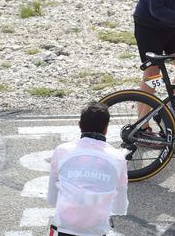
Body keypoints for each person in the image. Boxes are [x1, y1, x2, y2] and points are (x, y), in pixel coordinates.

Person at [47, 101, 128, 236]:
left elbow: (51, 199)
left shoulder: (62, 151)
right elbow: (120, 208)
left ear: (79, 125)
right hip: (96, 229)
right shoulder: (118, 158)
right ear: (106, 128)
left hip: (65, 228)